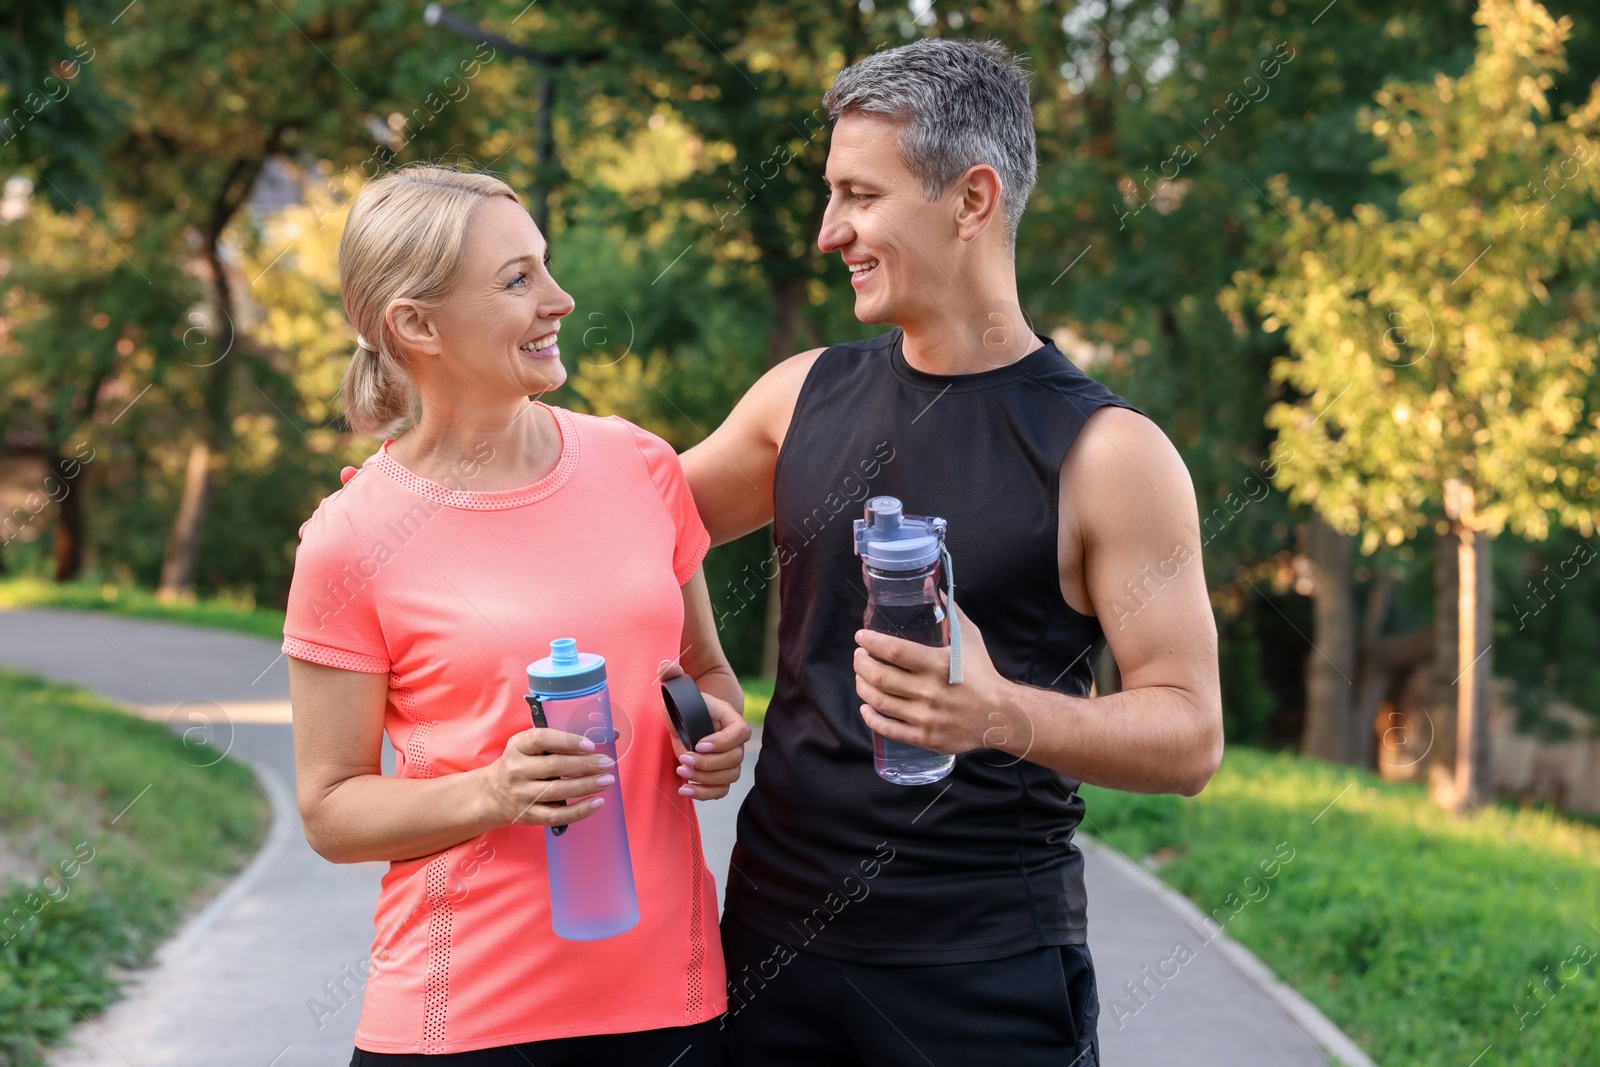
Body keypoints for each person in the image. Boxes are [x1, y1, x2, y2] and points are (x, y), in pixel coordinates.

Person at [680, 38, 1223, 1066]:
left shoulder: (1108, 454)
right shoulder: (799, 395)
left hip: (982, 980)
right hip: (768, 953)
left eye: (858, 195)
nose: (828, 229)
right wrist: (700, 667)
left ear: (971, 199)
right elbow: (630, 524)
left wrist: (998, 713)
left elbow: (1190, 734)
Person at [281, 164, 750, 1064]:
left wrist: (719, 728)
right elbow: (330, 809)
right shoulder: (349, 540)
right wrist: (492, 793)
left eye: (545, 266)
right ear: (415, 324)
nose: (560, 299)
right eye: (516, 280)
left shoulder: (639, 464)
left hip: (672, 1002)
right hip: (463, 1023)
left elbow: (705, 671)